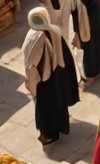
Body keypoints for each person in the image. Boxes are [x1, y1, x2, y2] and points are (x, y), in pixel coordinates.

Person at [23, 8, 72, 145]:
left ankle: (49, 135)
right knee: (57, 104)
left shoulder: (33, 37)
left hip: (43, 80)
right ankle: (59, 129)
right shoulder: (54, 30)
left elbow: (30, 64)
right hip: (56, 75)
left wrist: (31, 84)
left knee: (44, 109)